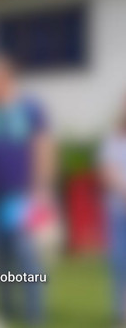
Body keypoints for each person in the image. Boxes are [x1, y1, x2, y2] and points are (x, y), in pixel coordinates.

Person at [0, 56, 54, 324]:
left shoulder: (29, 109)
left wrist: (41, 189)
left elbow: (43, 148)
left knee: (26, 255)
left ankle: (34, 313)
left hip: (22, 197)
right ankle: (5, 310)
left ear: (5, 80)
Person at [99, 93, 126, 325]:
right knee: (120, 263)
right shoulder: (114, 140)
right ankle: (122, 312)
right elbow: (107, 172)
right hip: (119, 211)